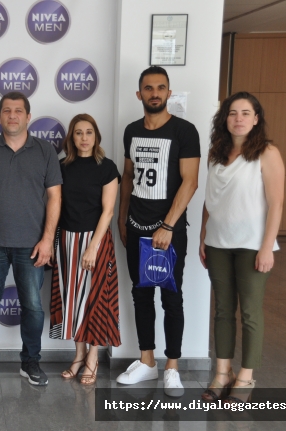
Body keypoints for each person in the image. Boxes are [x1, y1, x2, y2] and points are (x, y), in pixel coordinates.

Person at [0, 91, 62, 386]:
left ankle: (31, 362)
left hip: (32, 245)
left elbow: (55, 197)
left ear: (28, 116)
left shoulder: (45, 151)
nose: (12, 115)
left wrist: (47, 240)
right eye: (7, 110)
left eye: (18, 110)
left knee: (32, 306)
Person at [116, 66, 200, 396]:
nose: (155, 93)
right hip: (136, 226)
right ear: (139, 94)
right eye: (148, 88)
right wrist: (122, 218)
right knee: (140, 294)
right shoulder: (131, 130)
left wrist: (167, 225)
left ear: (168, 92)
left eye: (160, 87)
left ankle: (172, 367)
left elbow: (190, 182)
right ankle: (147, 361)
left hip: (169, 231)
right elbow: (128, 176)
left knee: (171, 297)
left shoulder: (184, 131)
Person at [199, 92, 284, 403]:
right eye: (233, 113)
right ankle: (223, 373)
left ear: (256, 119)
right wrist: (203, 237)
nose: (239, 119)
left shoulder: (267, 153)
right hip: (217, 243)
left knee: (249, 312)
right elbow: (209, 201)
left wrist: (266, 248)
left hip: (252, 245)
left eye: (246, 113)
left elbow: (276, 204)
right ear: (225, 119)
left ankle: (246, 376)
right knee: (222, 311)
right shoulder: (216, 153)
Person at [50, 114, 121, 385]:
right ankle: (78, 356)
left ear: (96, 136)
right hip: (67, 240)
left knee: (96, 300)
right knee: (73, 300)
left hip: (96, 240)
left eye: (89, 132)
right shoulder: (62, 167)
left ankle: (93, 357)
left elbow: (108, 211)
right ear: (71, 137)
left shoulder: (107, 167)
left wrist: (93, 247)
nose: (84, 137)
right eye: (78, 132)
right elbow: (56, 204)